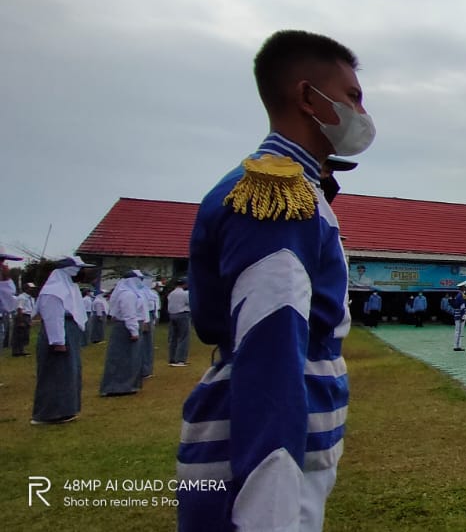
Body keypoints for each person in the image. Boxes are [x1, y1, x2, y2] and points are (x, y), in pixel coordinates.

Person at [177, 30, 372, 530]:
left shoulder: (301, 188)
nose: (361, 113)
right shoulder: (276, 197)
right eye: (352, 97)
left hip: (284, 452)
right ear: (308, 97)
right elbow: (271, 352)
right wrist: (269, 512)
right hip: (265, 464)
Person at [32, 256, 94, 425]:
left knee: (69, 372)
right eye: (81, 269)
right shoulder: (53, 291)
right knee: (55, 373)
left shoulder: (70, 288)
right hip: (59, 335)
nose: (83, 273)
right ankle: (49, 413)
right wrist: (58, 341)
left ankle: (65, 410)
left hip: (69, 331)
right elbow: (53, 317)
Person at [101, 270, 146, 396]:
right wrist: (134, 331)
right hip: (126, 327)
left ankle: (127, 385)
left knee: (130, 357)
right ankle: (117, 386)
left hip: (127, 325)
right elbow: (129, 314)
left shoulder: (131, 293)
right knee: (122, 358)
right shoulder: (128, 295)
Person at [167, 278, 191, 366]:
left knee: (173, 337)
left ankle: (172, 358)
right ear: (184, 284)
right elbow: (189, 302)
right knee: (183, 337)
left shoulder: (171, 293)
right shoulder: (185, 293)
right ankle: (180, 359)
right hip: (182, 314)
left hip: (172, 315)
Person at [13, 283, 36, 356]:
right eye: (31, 288)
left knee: (25, 334)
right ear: (26, 289)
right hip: (23, 316)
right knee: (20, 334)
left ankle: (22, 350)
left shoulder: (31, 298)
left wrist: (31, 319)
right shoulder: (22, 297)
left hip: (28, 316)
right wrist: (21, 321)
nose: (32, 290)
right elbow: (20, 309)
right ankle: (17, 351)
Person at [452, 282, 466, 351]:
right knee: (459, 331)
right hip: (460, 315)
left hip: (458, 314)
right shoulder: (461, 295)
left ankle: (456, 345)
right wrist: (463, 316)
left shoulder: (459, 295)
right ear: (462, 288)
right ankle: (457, 346)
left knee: (457, 331)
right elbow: (462, 306)